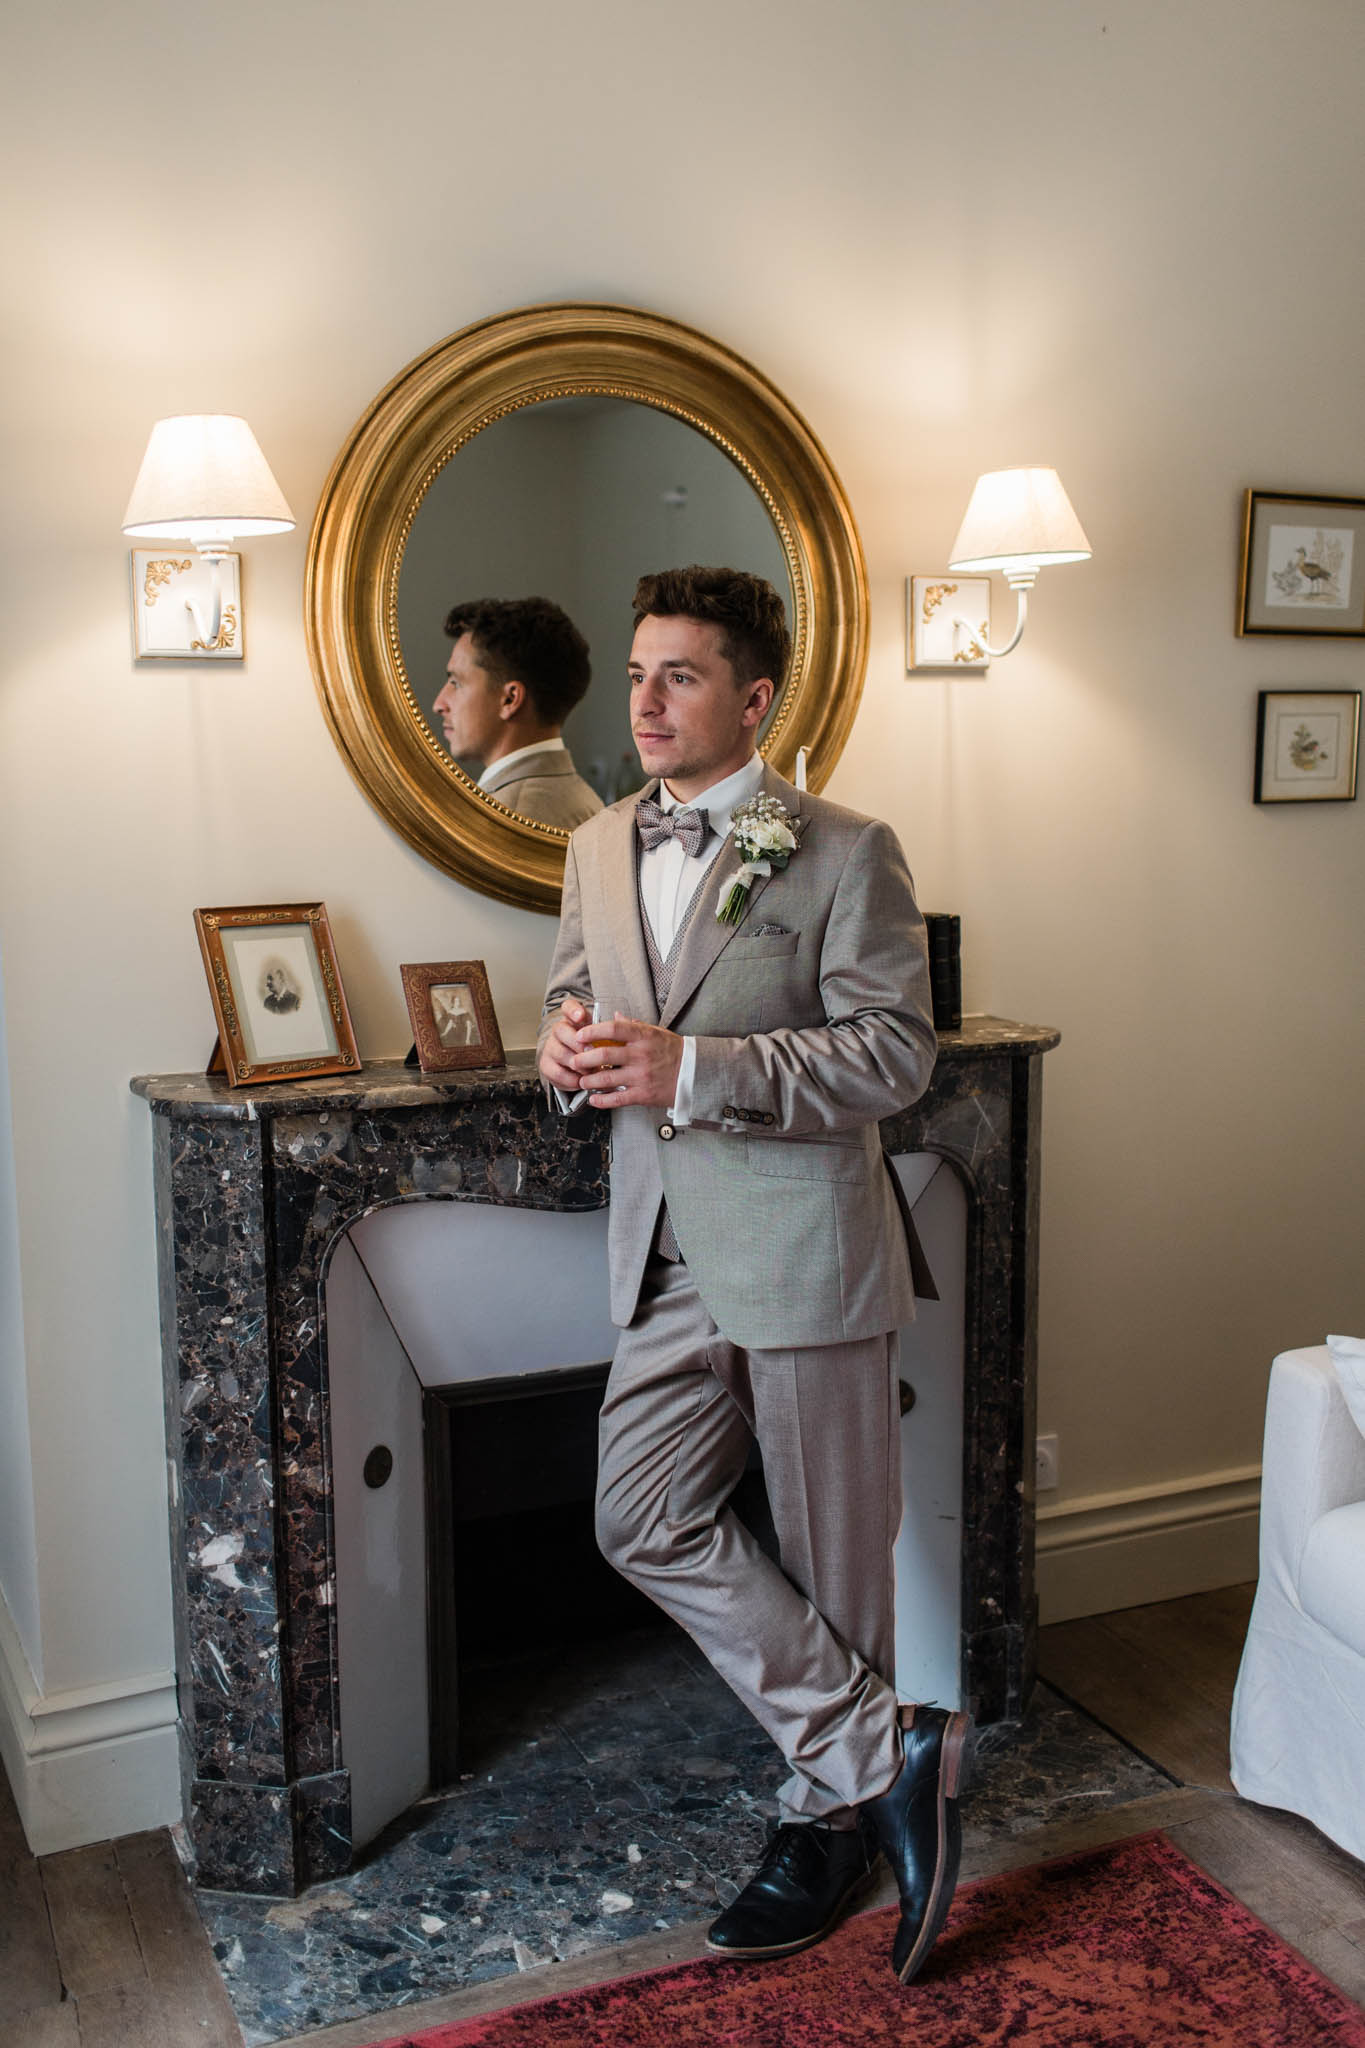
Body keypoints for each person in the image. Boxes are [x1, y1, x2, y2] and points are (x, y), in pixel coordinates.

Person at [536, 565, 974, 1985]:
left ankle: (825, 1822)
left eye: (681, 675)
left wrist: (697, 1068)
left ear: (754, 696)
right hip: (661, 1260)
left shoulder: (845, 848)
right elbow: (573, 990)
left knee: (837, 1566)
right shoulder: (596, 843)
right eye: (637, 673)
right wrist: (562, 1046)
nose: (646, 702)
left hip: (807, 1252)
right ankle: (884, 1751)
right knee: (638, 1514)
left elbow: (893, 1054)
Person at [433, 596, 603, 830]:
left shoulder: (505, 820)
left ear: (510, 699)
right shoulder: (587, 800)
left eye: (456, 682)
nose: (439, 704)